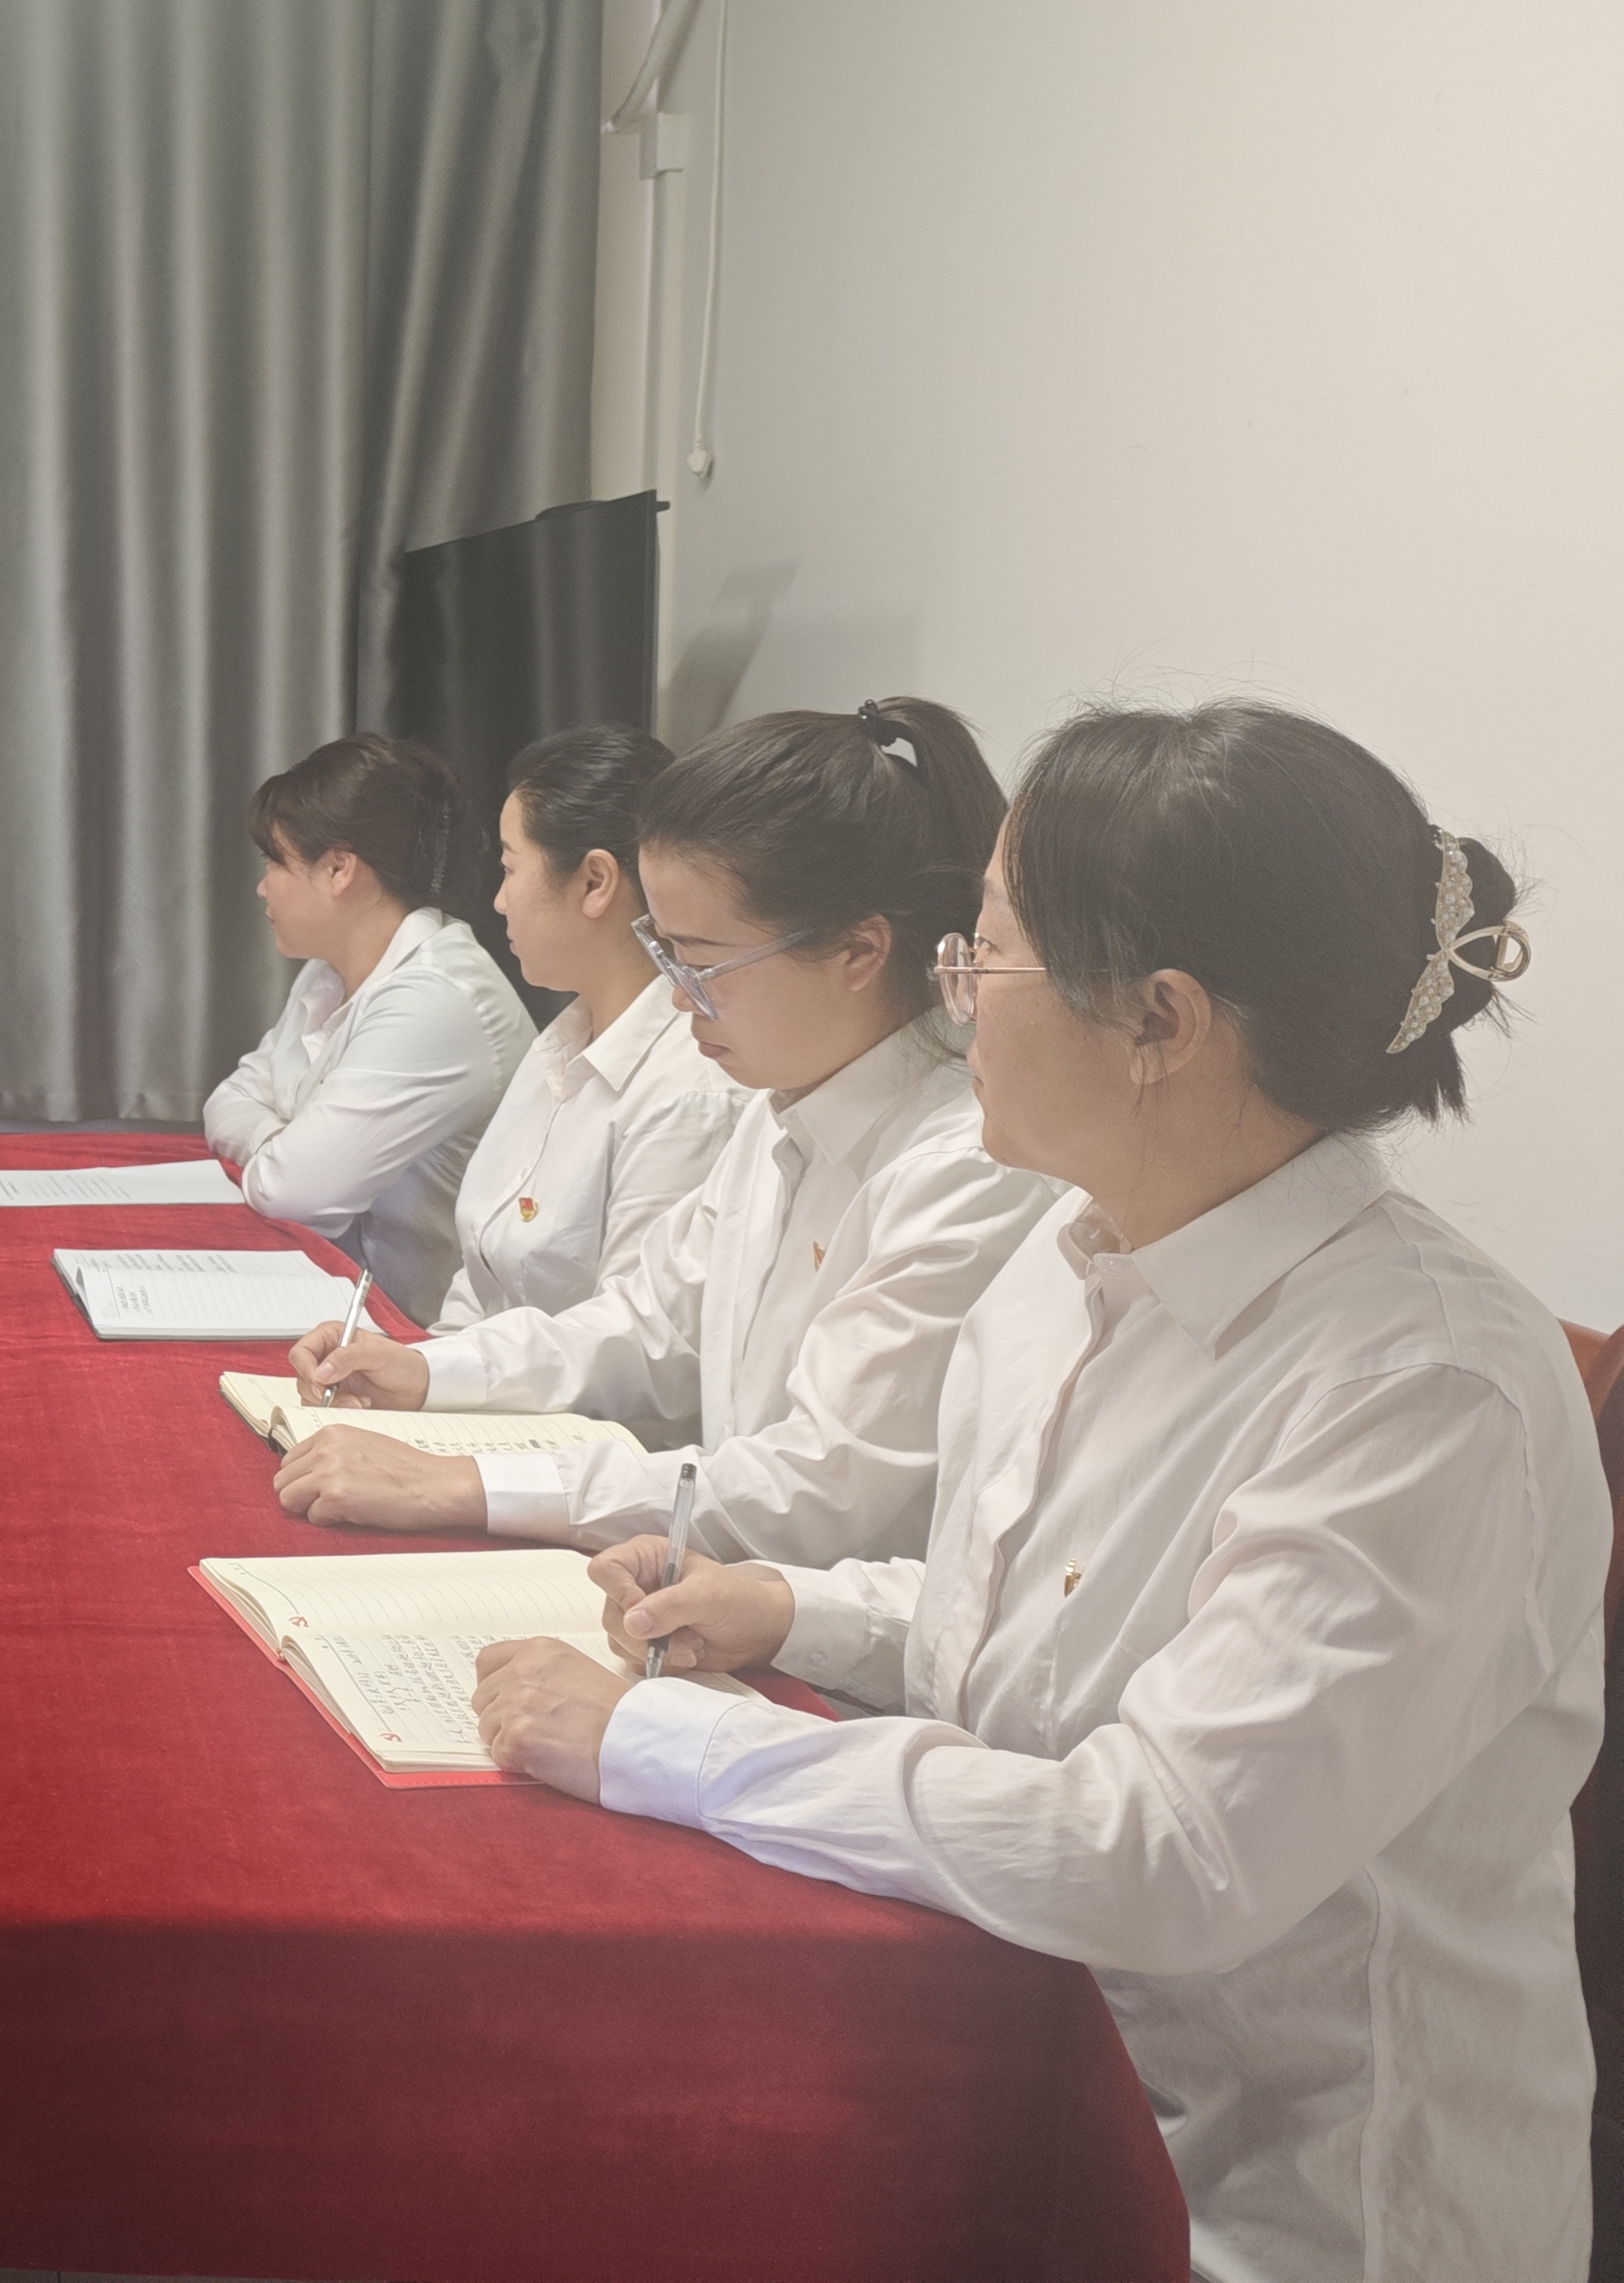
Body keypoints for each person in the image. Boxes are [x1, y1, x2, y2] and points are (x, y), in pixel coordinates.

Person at [474, 701, 1589, 2283]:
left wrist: (666, 1744)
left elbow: (1165, 1848)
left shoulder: (1421, 1388)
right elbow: (1031, 1630)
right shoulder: (1066, 1263)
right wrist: (792, 1607)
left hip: (1278, 2208)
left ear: (1160, 1021)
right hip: (1011, 2068)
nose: (953, 999)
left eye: (982, 955)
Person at [275, 698, 1055, 1571]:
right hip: (732, 1587)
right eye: (667, 952)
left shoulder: (964, 1166)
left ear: (857, 954)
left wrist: (464, 1484)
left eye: (703, 962)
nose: (679, 995)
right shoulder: (783, 1104)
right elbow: (651, 1322)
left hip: (819, 1613)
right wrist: (428, 1370)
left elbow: (815, 1487)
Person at [202, 733, 536, 1321]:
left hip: (428, 1329)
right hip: (348, 1300)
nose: (262, 886)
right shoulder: (329, 971)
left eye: (275, 861)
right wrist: (283, 1142)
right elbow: (227, 1100)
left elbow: (293, 1195)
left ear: (339, 869)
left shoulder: (435, 997)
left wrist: (281, 1147)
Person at [431, 726, 741, 1326]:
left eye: (510, 868)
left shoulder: (689, 1090)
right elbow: (481, 1274)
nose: (499, 901)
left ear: (595, 882)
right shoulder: (561, 1044)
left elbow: (636, 1345)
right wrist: (425, 1361)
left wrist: (438, 1372)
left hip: (562, 1392)